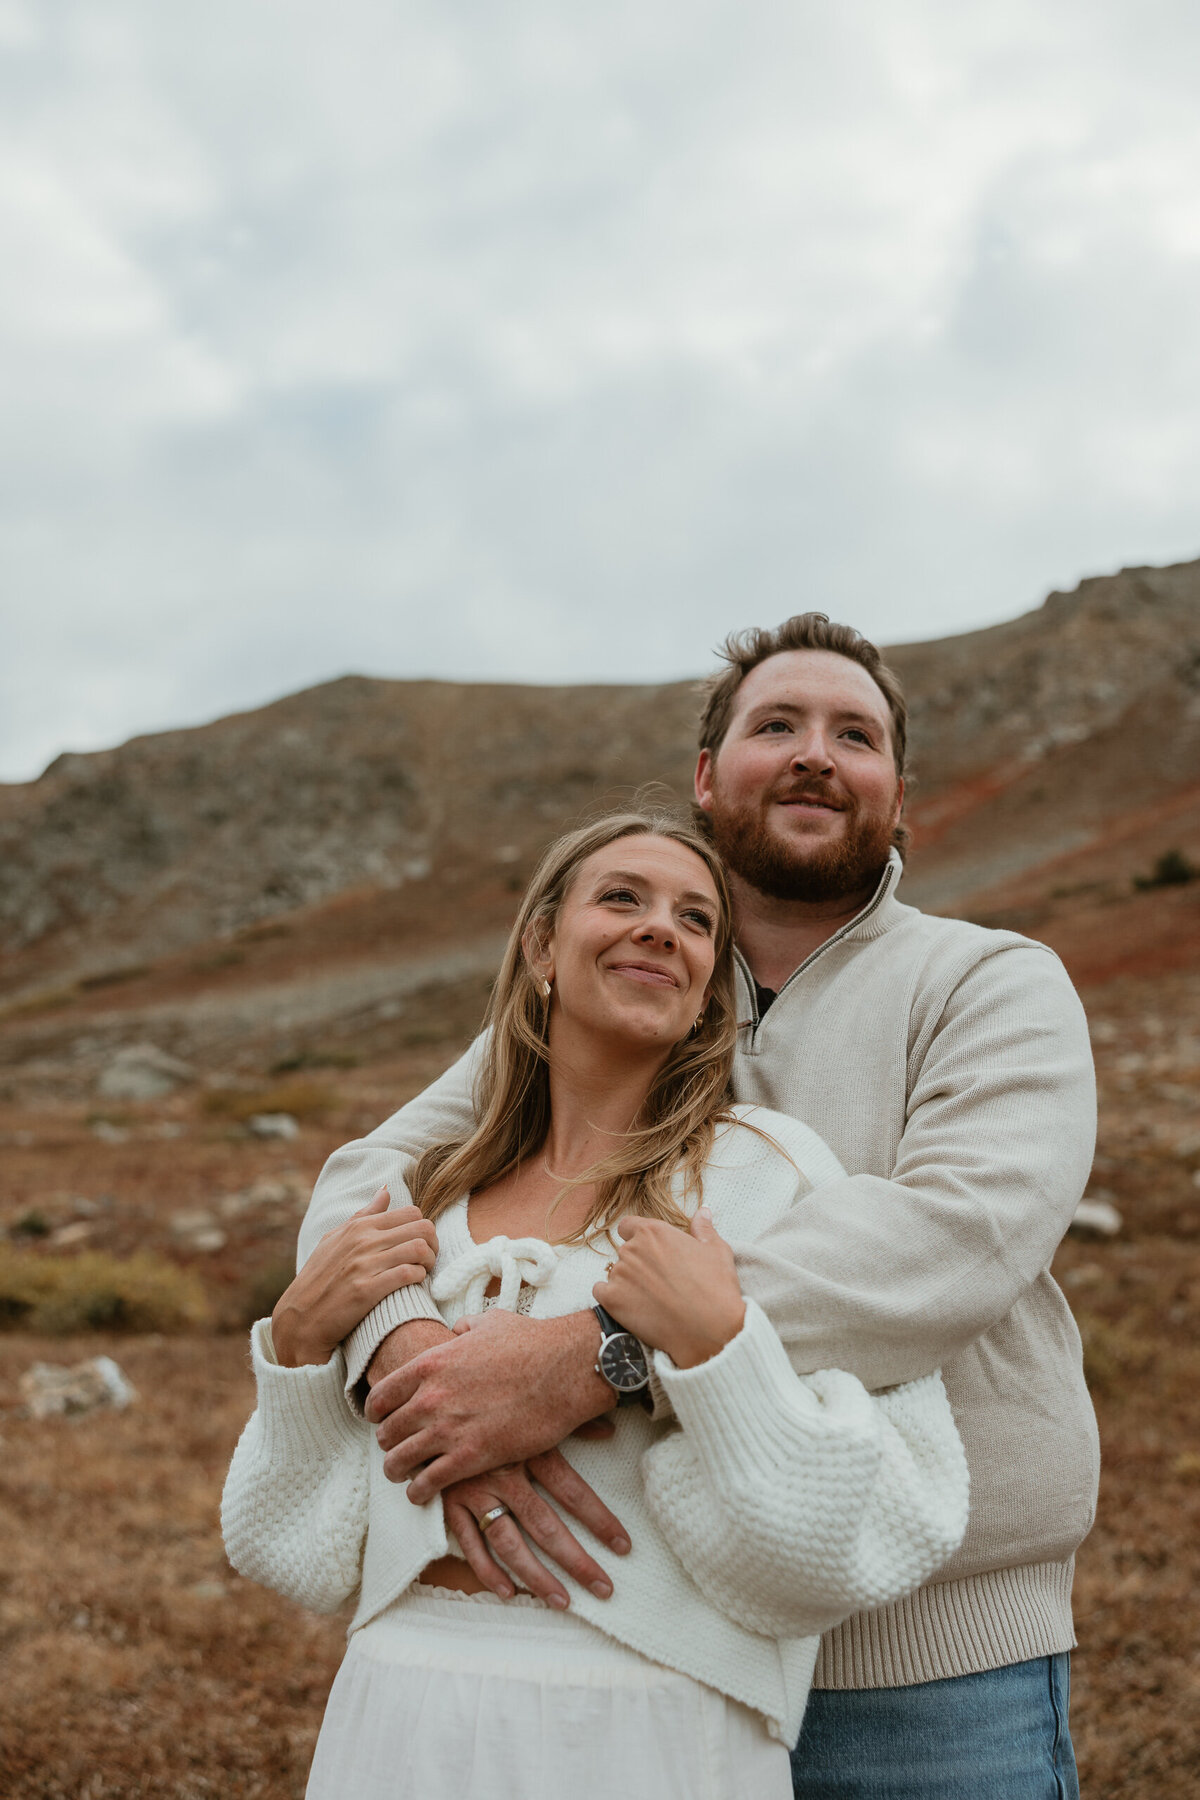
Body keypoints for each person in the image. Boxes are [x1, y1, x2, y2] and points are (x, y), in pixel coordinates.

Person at [301, 614, 1099, 1800]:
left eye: (856, 735)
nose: (815, 754)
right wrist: (422, 1365)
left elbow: (960, 1234)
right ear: (706, 780)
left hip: (930, 1665)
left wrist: (594, 1356)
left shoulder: (987, 980)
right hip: (651, 1638)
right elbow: (357, 1190)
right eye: (775, 725)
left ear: (897, 792)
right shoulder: (632, 979)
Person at [222, 811, 968, 1800]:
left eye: (698, 920)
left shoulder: (769, 1182)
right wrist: (297, 1348)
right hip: (398, 1714)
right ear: (542, 945)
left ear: (710, 990)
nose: (661, 928)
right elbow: (290, 1552)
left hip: (659, 1722)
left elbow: (836, 1553)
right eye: (622, 898)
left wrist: (716, 1353)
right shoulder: (421, 1206)